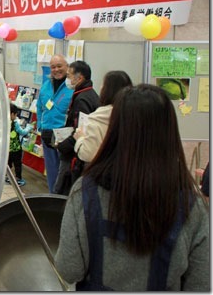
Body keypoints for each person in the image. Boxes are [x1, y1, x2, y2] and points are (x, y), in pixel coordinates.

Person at [55, 84, 210, 291]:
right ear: (170, 132)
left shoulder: (85, 191)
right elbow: (201, 285)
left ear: (115, 129)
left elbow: (69, 269)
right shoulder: (192, 205)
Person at [55, 60, 99, 196]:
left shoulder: (82, 99)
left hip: (74, 155)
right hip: (78, 152)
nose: (67, 79)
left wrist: (63, 146)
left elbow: (80, 129)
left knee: (62, 189)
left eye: (69, 76)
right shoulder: (89, 94)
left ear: (79, 78)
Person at [73, 70, 132, 163]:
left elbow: (88, 154)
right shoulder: (134, 114)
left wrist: (80, 138)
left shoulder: (99, 117)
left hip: (105, 170)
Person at [36, 55, 73, 194]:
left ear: (67, 67)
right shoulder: (46, 85)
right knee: (51, 171)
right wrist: (41, 126)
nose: (56, 69)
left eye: (59, 66)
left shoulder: (72, 86)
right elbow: (40, 107)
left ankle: (64, 201)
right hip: (47, 135)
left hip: (65, 137)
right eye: (53, 67)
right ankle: (53, 197)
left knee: (65, 173)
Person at [7, 104, 34, 186]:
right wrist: (29, 127)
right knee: (17, 164)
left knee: (8, 164)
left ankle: (8, 176)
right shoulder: (15, 124)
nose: (16, 116)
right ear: (12, 114)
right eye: (15, 115)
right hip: (16, 149)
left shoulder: (5, 123)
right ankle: (18, 178)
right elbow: (23, 132)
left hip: (8, 149)